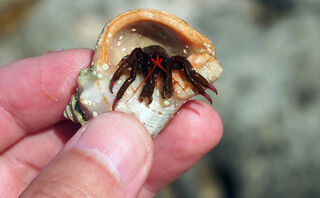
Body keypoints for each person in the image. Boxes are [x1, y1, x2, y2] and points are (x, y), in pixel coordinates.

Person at [0, 49, 223, 197]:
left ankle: (200, 85)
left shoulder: (168, 64)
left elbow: (182, 68)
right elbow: (130, 65)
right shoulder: (141, 60)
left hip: (160, 60)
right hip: (146, 61)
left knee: (176, 71)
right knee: (132, 76)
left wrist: (196, 83)